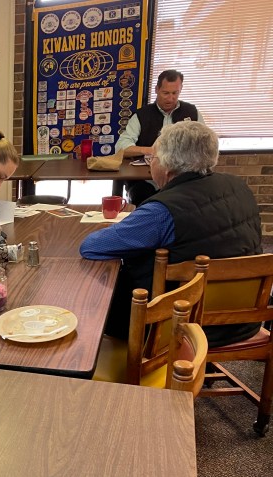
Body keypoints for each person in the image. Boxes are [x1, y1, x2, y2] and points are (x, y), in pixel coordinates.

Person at [81, 121, 261, 345]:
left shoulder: (162, 211)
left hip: (177, 326)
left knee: (92, 297)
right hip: (243, 318)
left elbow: (92, 246)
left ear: (167, 166)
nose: (150, 166)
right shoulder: (238, 187)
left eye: (152, 158)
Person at [115, 69, 204, 205]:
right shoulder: (142, 115)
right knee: (143, 197)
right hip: (146, 181)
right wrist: (151, 150)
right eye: (166, 93)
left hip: (182, 179)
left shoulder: (192, 113)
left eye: (175, 93)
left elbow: (204, 145)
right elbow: (120, 148)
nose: (170, 98)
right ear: (157, 90)